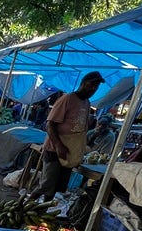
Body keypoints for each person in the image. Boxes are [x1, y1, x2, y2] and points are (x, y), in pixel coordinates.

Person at [38, 71, 105, 200]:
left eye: (96, 87)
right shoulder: (67, 99)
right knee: (46, 186)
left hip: (69, 152)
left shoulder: (87, 103)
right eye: (91, 85)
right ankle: (21, 207)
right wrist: (58, 146)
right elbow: (50, 125)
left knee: (56, 188)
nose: (93, 89)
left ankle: (41, 214)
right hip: (54, 149)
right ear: (83, 83)